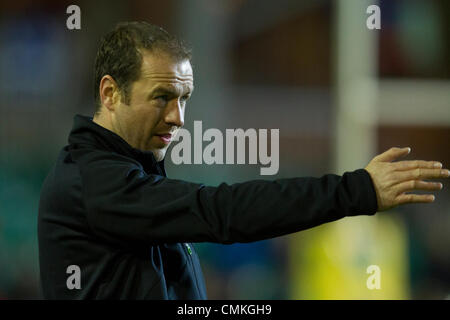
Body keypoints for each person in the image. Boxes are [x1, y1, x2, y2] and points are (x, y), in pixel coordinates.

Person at [37, 21, 449, 299]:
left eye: (184, 99)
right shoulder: (92, 182)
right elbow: (221, 211)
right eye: (162, 97)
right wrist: (358, 190)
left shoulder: (127, 174)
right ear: (109, 93)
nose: (178, 118)